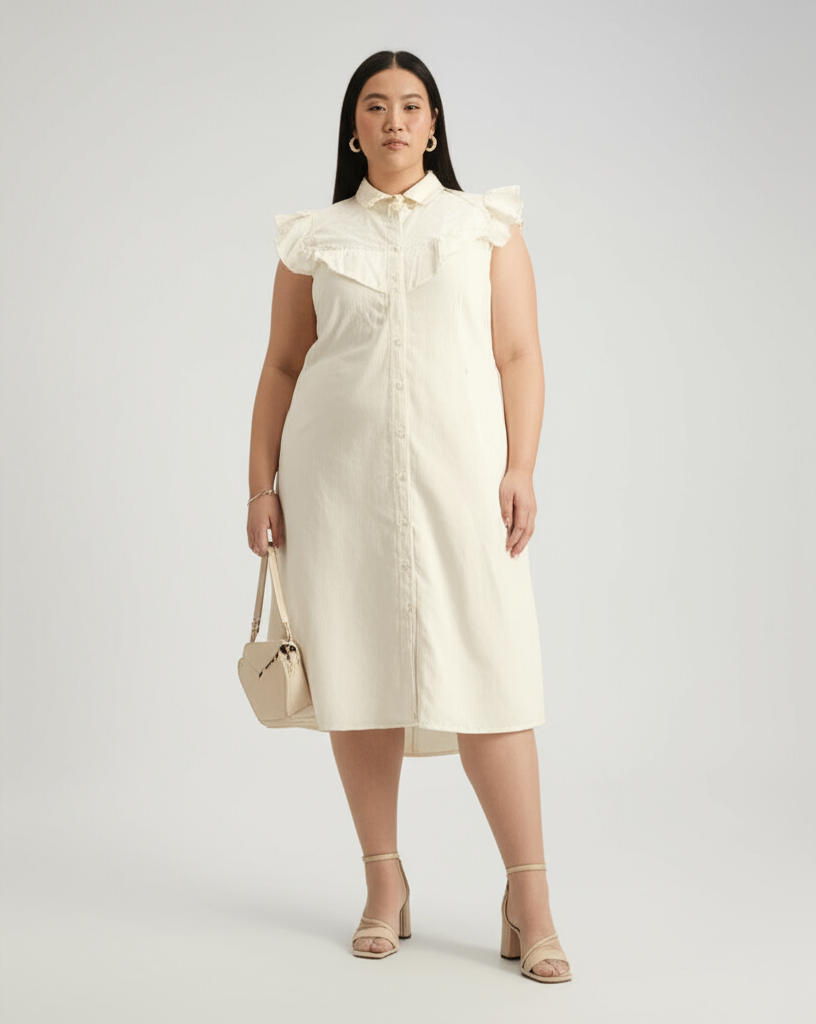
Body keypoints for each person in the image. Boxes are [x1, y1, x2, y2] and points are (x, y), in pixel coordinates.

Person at [245, 49, 571, 983]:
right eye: (376, 106)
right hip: (336, 486)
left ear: (434, 125)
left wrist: (521, 466)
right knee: (356, 673)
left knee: (494, 674)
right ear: (354, 129)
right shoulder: (313, 237)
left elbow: (519, 354)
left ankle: (530, 900)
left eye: (412, 106)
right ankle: (384, 884)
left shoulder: (483, 225)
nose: (394, 121)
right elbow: (282, 365)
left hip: (463, 482)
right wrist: (261, 485)